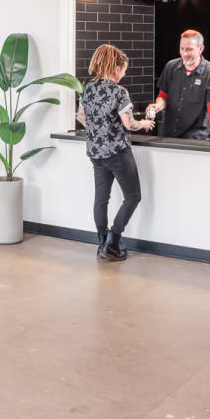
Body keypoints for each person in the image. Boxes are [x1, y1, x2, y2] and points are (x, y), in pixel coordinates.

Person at [77, 44, 154, 262]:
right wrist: (145, 123)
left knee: (101, 198)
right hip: (117, 152)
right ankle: (113, 241)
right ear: (115, 67)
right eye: (123, 69)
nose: (124, 74)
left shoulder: (89, 89)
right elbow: (129, 124)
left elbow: (81, 116)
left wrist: (98, 128)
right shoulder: (119, 92)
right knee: (133, 196)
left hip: (95, 152)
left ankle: (102, 243)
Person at [145, 29, 210, 145]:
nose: (184, 53)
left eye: (189, 49)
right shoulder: (170, 67)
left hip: (196, 137)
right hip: (170, 134)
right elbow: (163, 96)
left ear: (201, 49)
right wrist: (157, 106)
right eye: (182, 48)